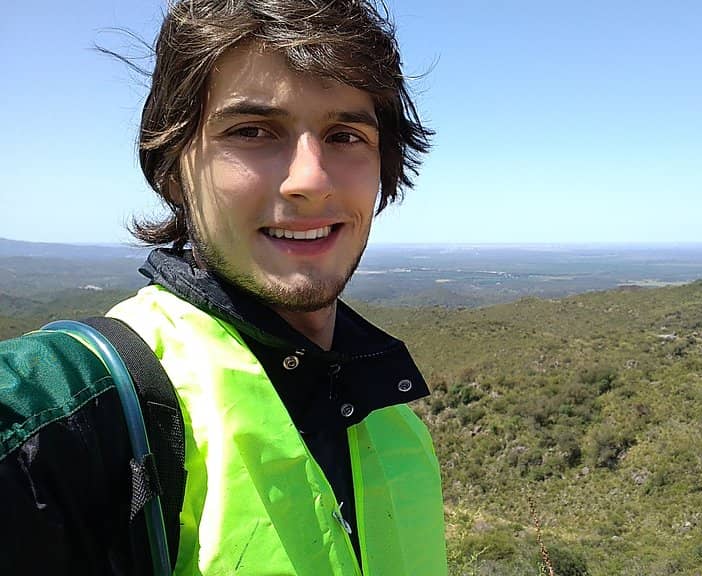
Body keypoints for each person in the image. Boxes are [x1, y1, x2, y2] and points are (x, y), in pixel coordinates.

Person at [0, 0, 446, 574]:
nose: (311, 180)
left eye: (345, 135)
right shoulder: (74, 411)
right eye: (252, 131)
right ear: (173, 165)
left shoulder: (393, 419)